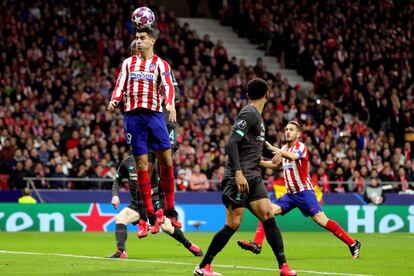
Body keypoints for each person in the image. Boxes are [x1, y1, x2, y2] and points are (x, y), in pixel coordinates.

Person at [194, 78, 296, 276]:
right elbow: (231, 143)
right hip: (237, 177)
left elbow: (253, 150)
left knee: (268, 215)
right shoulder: (249, 113)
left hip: (254, 177)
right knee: (233, 224)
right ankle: (203, 267)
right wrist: (238, 174)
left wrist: (272, 159)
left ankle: (283, 267)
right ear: (267, 94)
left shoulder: (257, 116)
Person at [237, 121, 362, 259]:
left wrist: (272, 148)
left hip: (304, 193)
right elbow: (275, 164)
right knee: (267, 212)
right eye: (286, 129)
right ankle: (257, 244)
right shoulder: (284, 148)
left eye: (291, 130)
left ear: (298, 134)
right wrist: (256, 162)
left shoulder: (301, 147)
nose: (288, 132)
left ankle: (353, 243)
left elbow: (293, 157)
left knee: (322, 221)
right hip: (290, 194)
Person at [107, 26, 180, 232]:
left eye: (142, 38)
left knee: (166, 160)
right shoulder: (128, 63)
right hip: (133, 117)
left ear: (152, 41)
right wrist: (114, 100)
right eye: (136, 38)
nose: (138, 41)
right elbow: (120, 83)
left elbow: (168, 85)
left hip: (155, 116)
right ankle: (148, 213)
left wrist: (170, 103)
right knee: (141, 166)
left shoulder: (160, 64)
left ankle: (171, 209)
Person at [108, 154, 203, 259]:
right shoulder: (127, 162)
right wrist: (115, 195)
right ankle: (121, 251)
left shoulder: (154, 162)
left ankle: (190, 245)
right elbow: (117, 181)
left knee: (168, 228)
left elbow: (162, 186)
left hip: (154, 204)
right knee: (120, 218)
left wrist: (150, 191)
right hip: (138, 205)